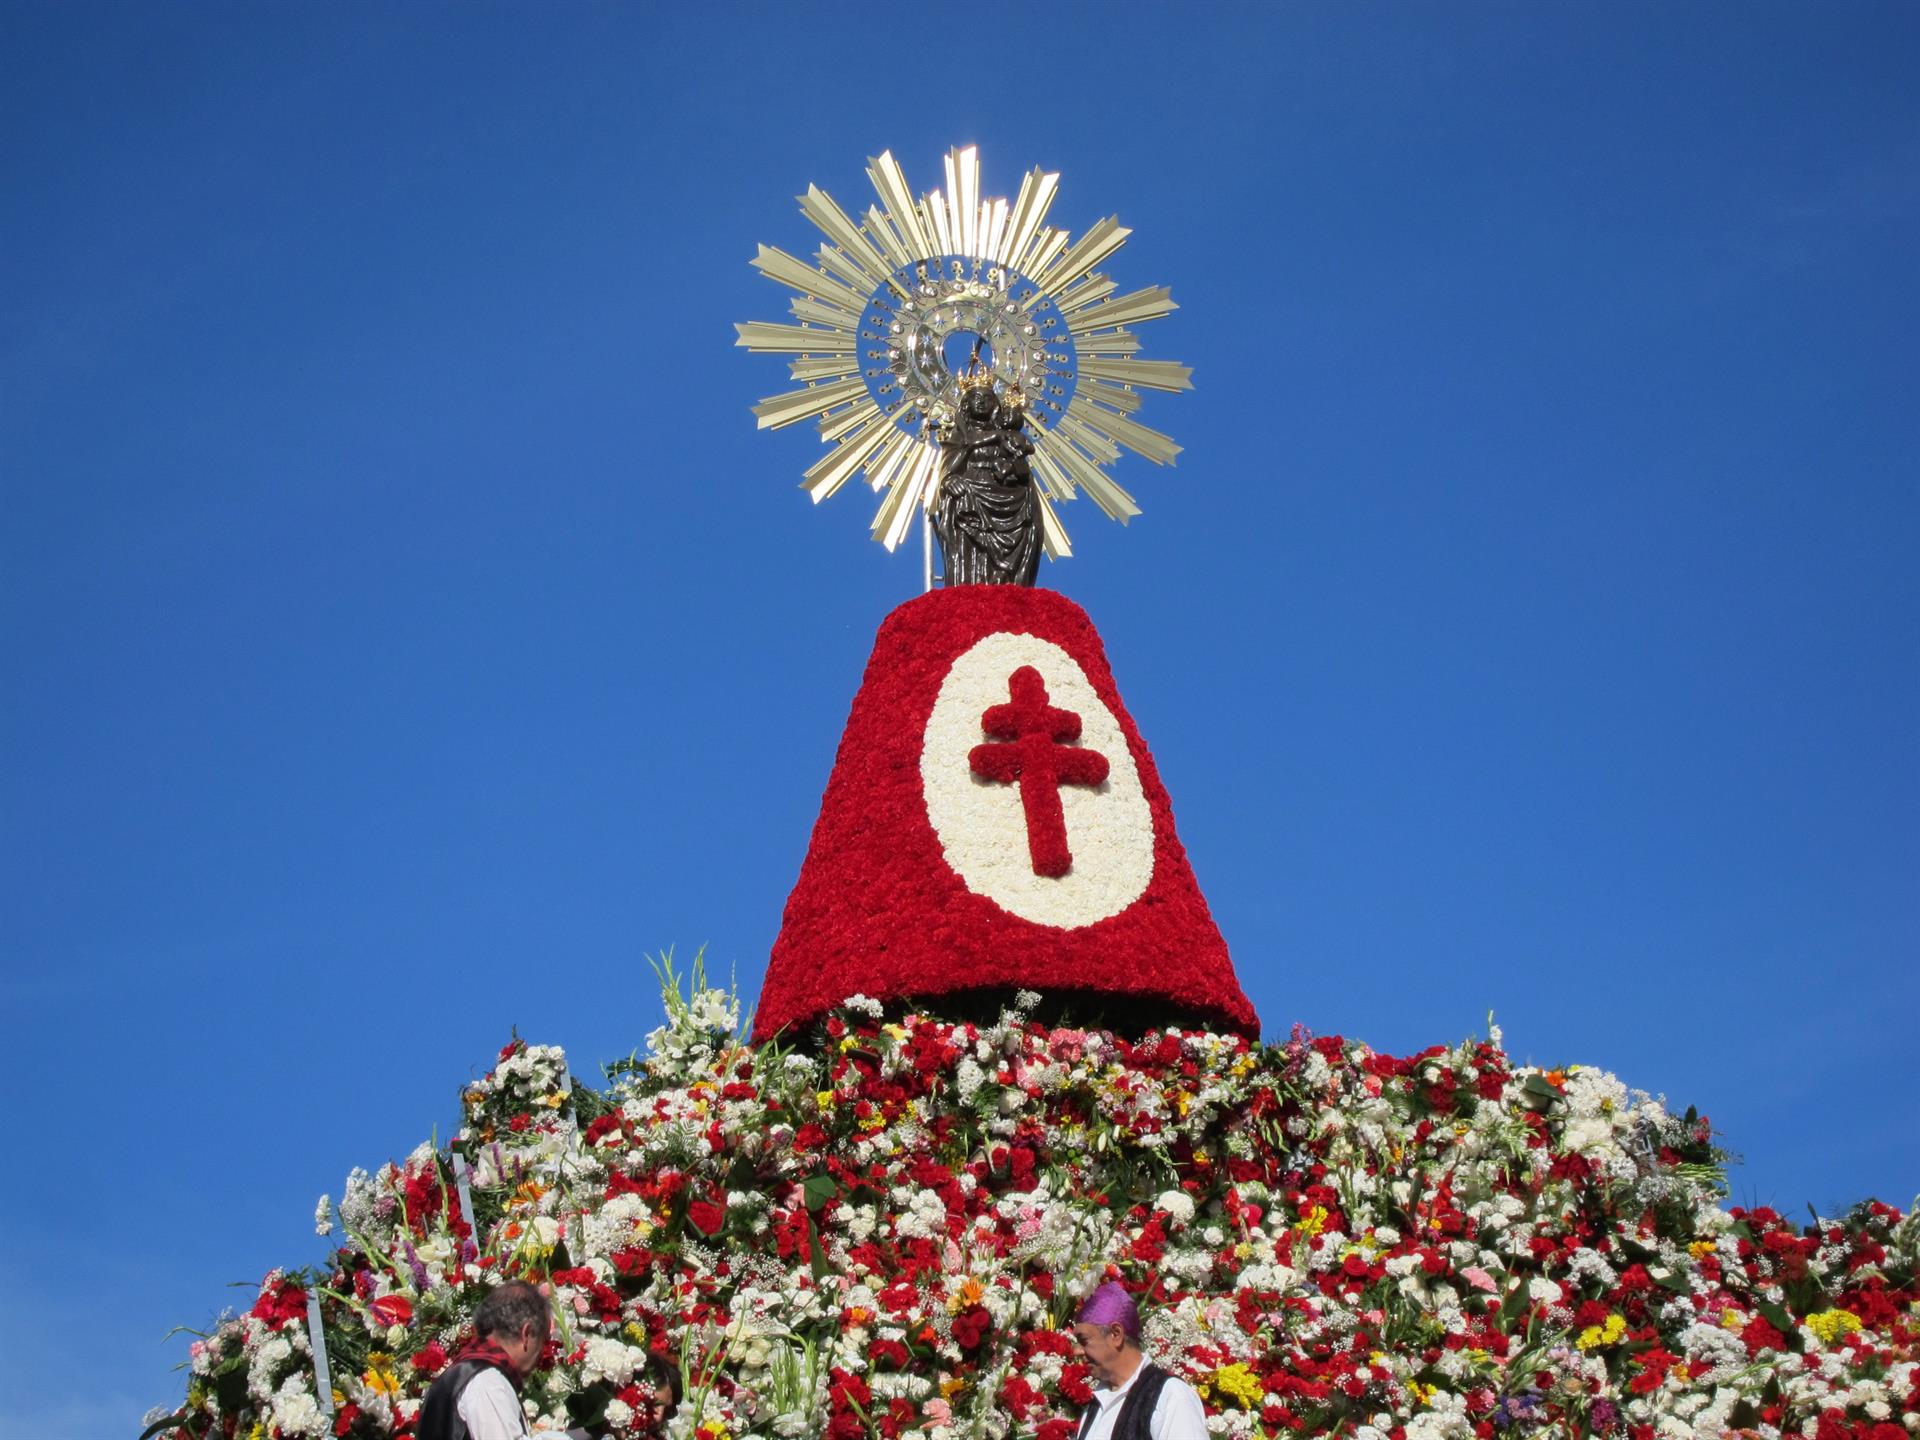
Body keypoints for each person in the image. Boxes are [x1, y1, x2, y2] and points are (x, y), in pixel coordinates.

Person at [1068, 1282, 1208, 1440]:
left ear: (1115, 1334)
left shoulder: (1170, 1396)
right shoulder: (1096, 1404)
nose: (1076, 1350)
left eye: (1084, 1340)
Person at [419, 1280, 552, 1440]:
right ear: (527, 1333)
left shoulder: (464, 1373)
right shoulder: (489, 1382)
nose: (541, 1353)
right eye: (543, 1340)